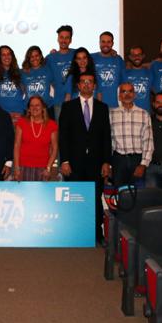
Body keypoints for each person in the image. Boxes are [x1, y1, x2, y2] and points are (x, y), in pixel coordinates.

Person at [59, 71, 111, 243]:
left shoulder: (103, 108)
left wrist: (106, 162)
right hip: (73, 163)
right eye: (83, 82)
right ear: (78, 86)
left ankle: (96, 234)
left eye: (90, 82)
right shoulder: (68, 107)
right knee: (74, 197)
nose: (87, 84)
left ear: (94, 86)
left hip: (96, 163)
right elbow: (63, 136)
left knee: (95, 199)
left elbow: (106, 137)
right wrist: (64, 160)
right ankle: (73, 233)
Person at [109, 82, 153, 186]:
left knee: (139, 196)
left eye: (130, 91)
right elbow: (108, 141)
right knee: (119, 196)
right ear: (119, 96)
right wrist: (109, 165)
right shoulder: (111, 114)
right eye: (123, 91)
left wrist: (143, 164)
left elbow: (148, 141)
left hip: (137, 160)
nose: (127, 94)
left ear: (134, 95)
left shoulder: (144, 114)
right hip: (118, 161)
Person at [13, 95, 58, 181]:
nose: (34, 108)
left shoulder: (52, 125)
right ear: (28, 109)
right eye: (32, 106)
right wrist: (16, 168)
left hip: (43, 169)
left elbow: (55, 148)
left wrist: (48, 168)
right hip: (23, 168)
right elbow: (16, 146)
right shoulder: (21, 122)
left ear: (43, 108)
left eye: (37, 105)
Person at [46, 25, 75, 117]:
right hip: (58, 102)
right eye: (61, 37)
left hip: (76, 101)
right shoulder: (50, 58)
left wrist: (111, 52)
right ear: (57, 39)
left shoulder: (77, 54)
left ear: (70, 40)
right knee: (61, 130)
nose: (64, 40)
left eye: (67, 38)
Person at [92, 32, 126, 108]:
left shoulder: (118, 60)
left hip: (115, 106)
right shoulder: (91, 58)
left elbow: (124, 83)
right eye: (103, 42)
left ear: (112, 43)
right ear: (99, 43)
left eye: (108, 42)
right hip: (95, 105)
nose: (106, 45)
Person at [0, 45, 26, 123]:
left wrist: (22, 111)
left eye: (9, 54)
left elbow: (28, 93)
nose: (6, 57)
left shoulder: (21, 73)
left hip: (19, 115)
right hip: (2, 116)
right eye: (3, 55)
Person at [21, 46, 54, 118]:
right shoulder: (23, 72)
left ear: (41, 56)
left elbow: (57, 85)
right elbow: (21, 91)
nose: (34, 58)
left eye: (37, 56)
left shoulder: (48, 69)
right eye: (31, 56)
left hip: (46, 108)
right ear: (28, 59)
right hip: (29, 110)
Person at [125, 45, 153, 111]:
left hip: (146, 113)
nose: (137, 57)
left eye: (139, 55)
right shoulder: (124, 73)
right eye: (134, 55)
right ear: (130, 57)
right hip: (129, 113)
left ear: (143, 56)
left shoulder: (150, 73)